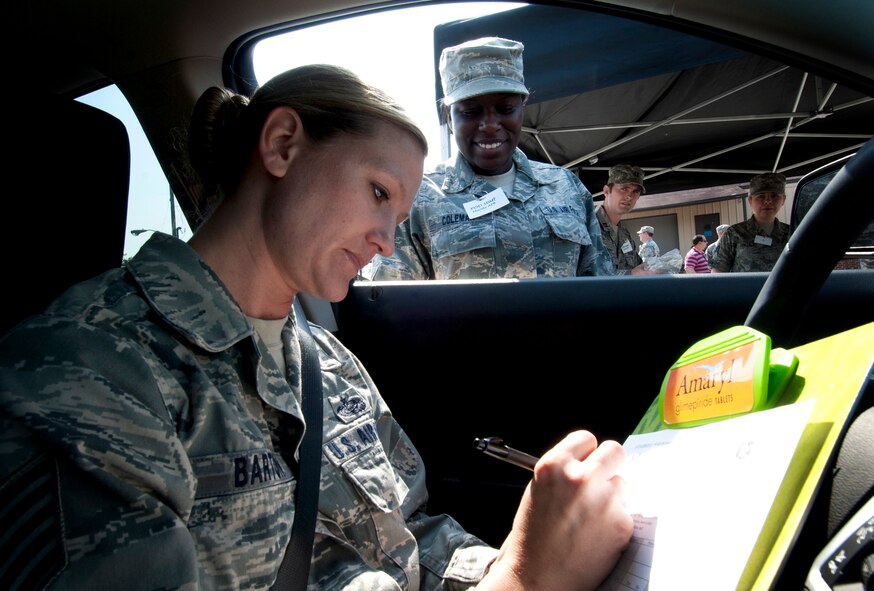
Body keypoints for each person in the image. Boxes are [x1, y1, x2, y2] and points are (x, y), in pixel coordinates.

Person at [0, 65, 632, 590]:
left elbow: (410, 536)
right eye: (380, 193)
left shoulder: (327, 362)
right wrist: (523, 577)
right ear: (281, 145)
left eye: (402, 214)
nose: (388, 244)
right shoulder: (88, 368)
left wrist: (511, 562)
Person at [370, 37, 613, 280]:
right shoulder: (418, 198)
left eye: (506, 109)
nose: (489, 126)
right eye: (470, 112)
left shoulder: (566, 187)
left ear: (522, 107)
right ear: (448, 115)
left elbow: (601, 288)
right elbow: (394, 303)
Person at [711, 172, 791, 272]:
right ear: (750, 201)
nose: (768, 201)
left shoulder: (792, 233)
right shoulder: (734, 233)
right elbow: (718, 271)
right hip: (745, 288)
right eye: (761, 196)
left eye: (774, 196)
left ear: (783, 200)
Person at [595, 164, 654, 275]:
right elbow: (577, 274)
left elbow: (637, 266)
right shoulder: (587, 226)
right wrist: (630, 275)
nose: (629, 196)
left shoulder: (624, 234)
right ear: (606, 191)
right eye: (624, 189)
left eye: (635, 191)